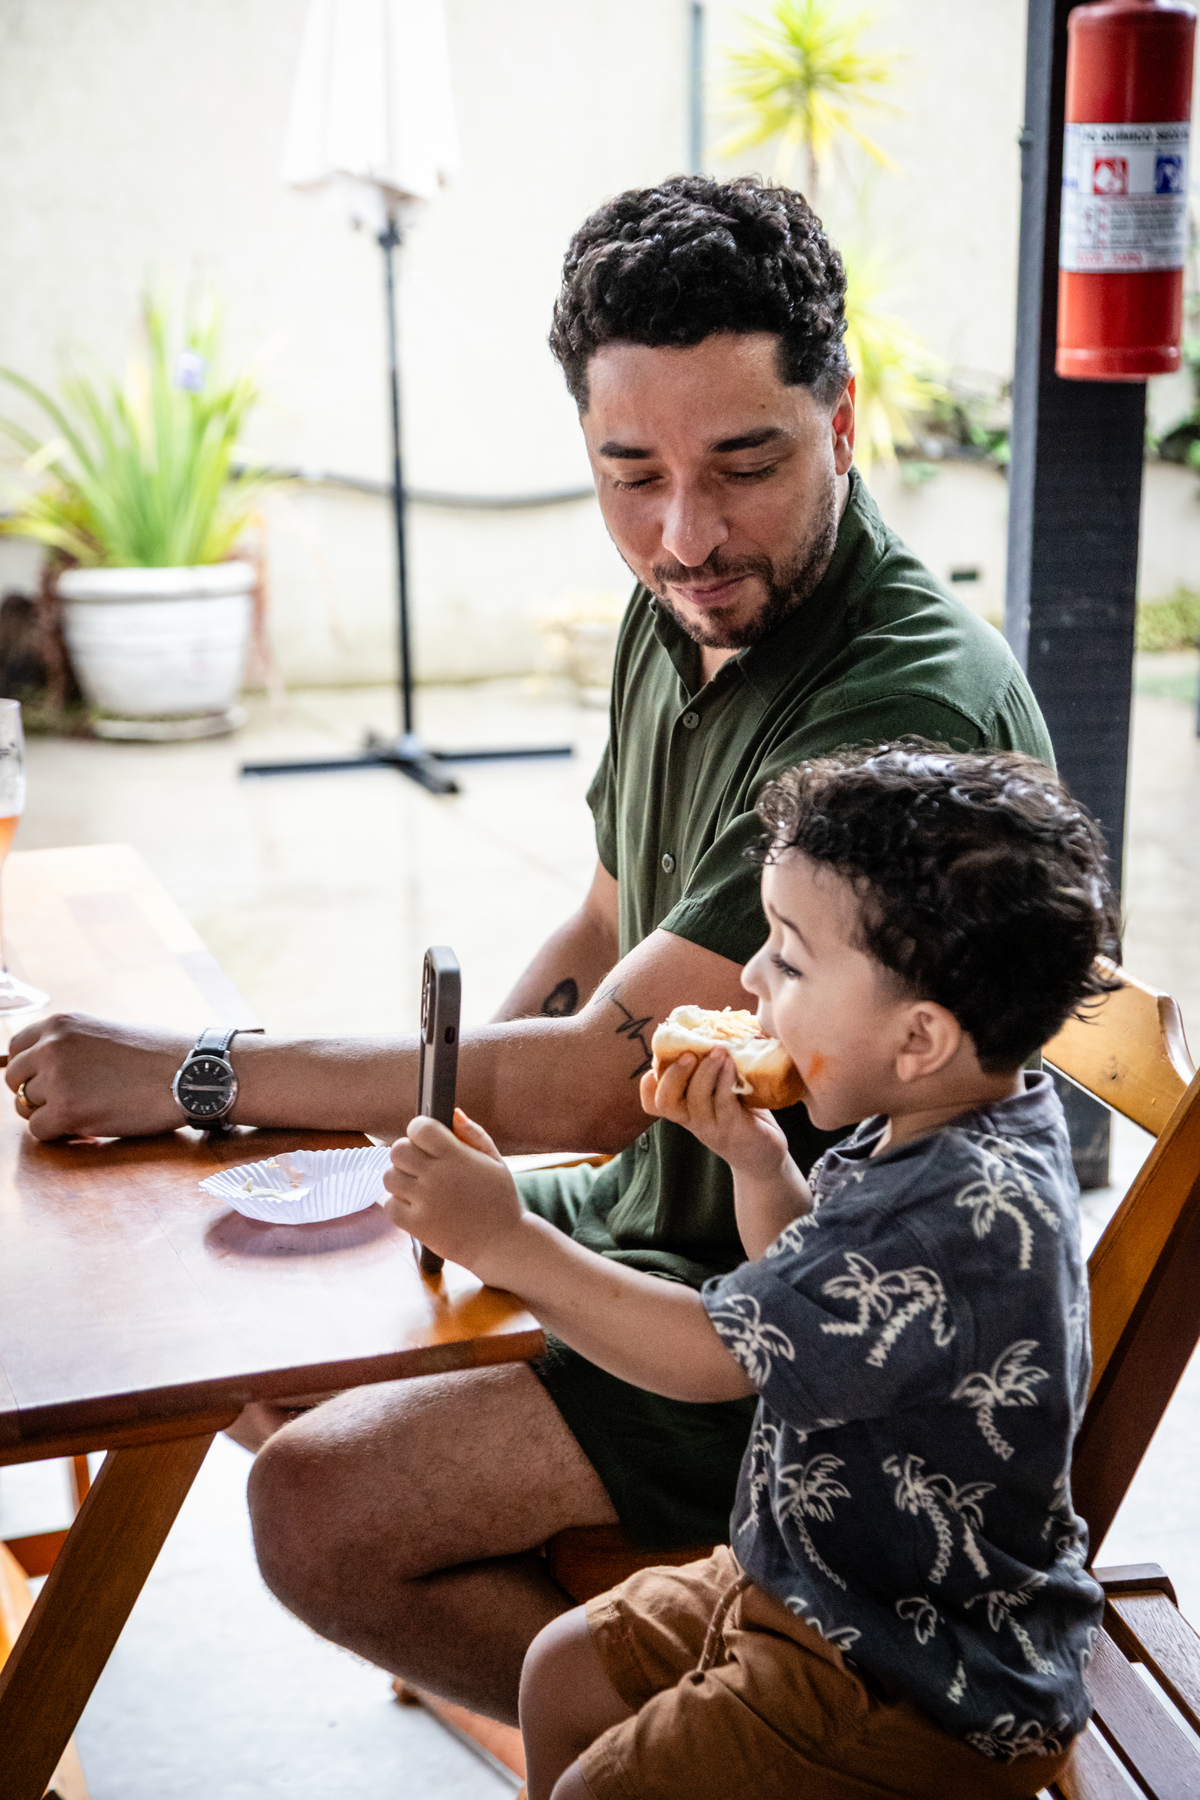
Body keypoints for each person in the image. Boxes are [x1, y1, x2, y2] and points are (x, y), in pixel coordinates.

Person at [5, 177, 1056, 1724]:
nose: (684, 533)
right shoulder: (691, 601)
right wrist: (440, 1120)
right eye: (630, 473)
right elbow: (604, 924)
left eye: (743, 465)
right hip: (672, 1218)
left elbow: (596, 1085)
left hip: (823, 1333)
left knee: (312, 1501)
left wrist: (199, 1071)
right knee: (263, 1317)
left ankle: (730, 1755)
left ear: (844, 416)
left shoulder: (885, 712)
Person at [384, 743, 1115, 1800]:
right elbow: (825, 1295)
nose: (749, 980)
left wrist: (504, 1241)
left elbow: (711, 1357)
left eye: (788, 956)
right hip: (817, 1572)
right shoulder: (948, 1117)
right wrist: (756, 1161)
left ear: (918, 1037)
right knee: (564, 1673)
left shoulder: (954, 1212)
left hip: (912, 1680)